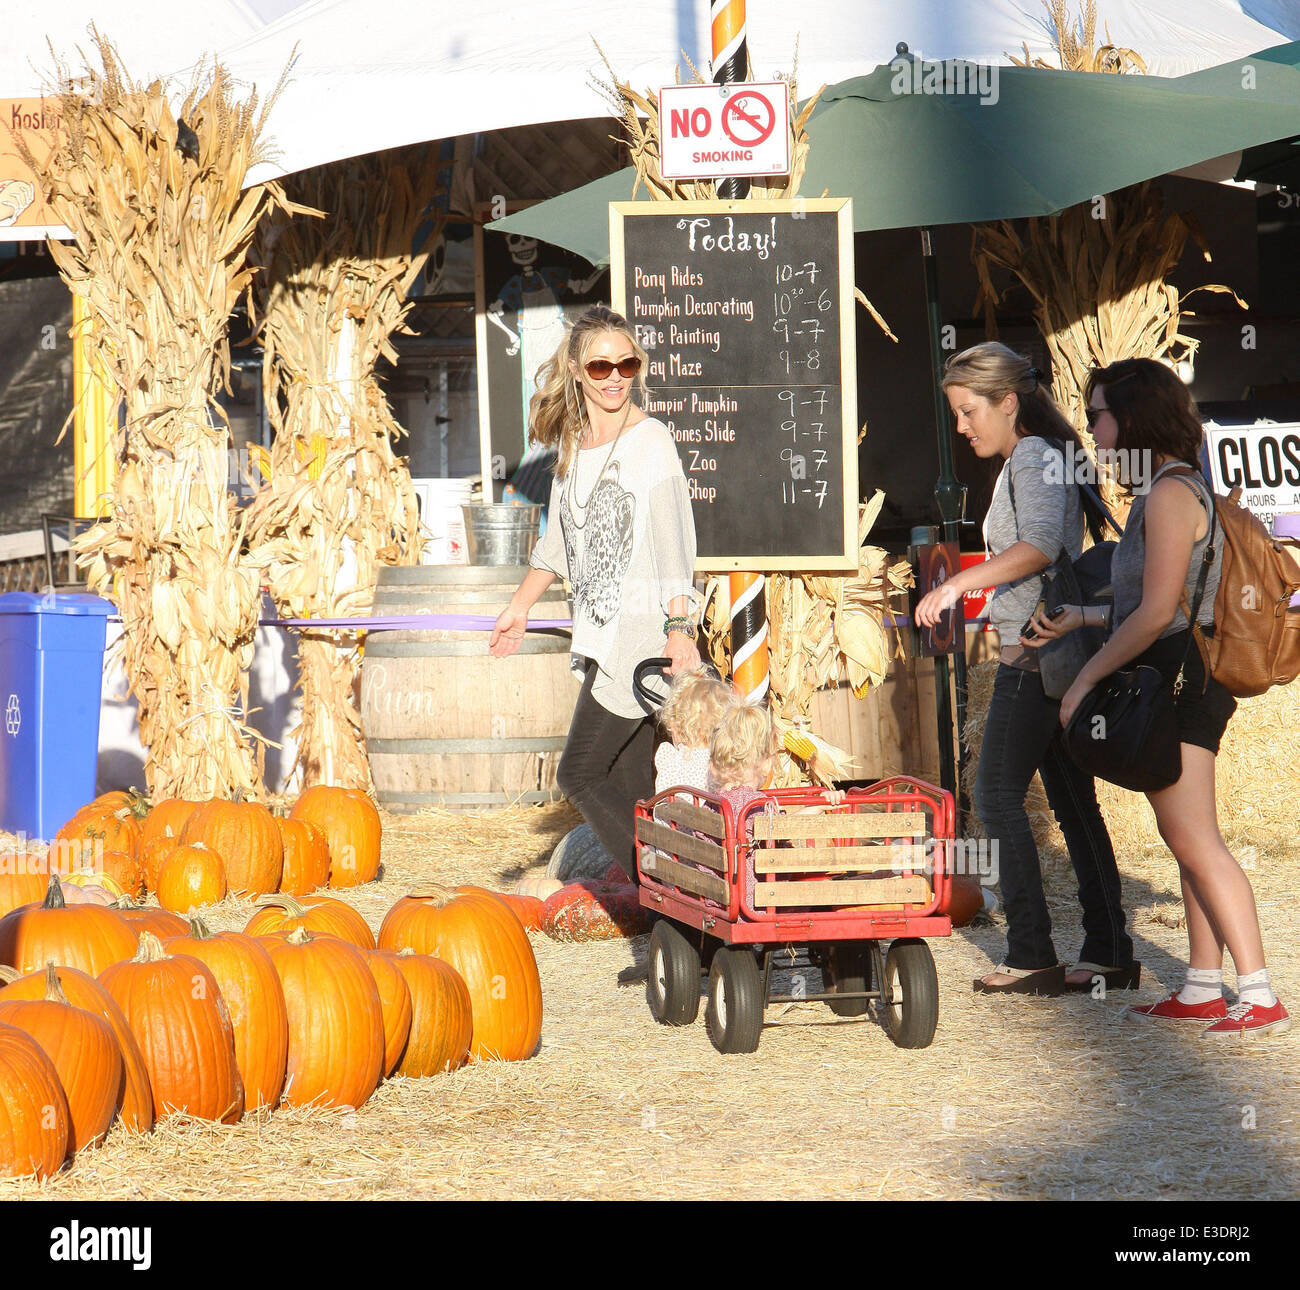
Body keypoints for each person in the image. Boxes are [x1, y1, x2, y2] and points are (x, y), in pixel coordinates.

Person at [1026, 357, 1289, 1037]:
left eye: (1099, 416)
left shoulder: (1172, 493)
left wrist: (1083, 680)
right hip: (1172, 670)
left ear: (1133, 419)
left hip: (1181, 676)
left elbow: (1156, 612)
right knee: (1185, 837)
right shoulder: (1167, 491)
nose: (1092, 430)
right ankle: (1204, 984)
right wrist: (1082, 621)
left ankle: (1258, 994)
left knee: (1194, 837)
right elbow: (1146, 606)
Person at [915, 342, 1137, 996]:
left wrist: (960, 584)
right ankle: (1108, 950)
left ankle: (1032, 952)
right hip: (1052, 657)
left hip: (1032, 659)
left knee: (995, 798)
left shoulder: (1034, 457)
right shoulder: (1032, 457)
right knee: (1073, 805)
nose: (961, 426)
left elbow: (1039, 547)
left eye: (967, 411)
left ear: (1008, 402)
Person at [489, 304, 700, 882]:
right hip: (600, 636)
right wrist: (519, 608)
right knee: (635, 792)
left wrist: (681, 630)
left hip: (640, 636)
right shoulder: (571, 444)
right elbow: (556, 542)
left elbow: (674, 541)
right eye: (601, 365)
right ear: (578, 371)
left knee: (578, 774)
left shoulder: (652, 441)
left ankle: (672, 888)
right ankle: (676, 923)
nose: (614, 377)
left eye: (626, 363)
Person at [655, 666, 737, 797]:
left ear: (676, 727)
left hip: (671, 816)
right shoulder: (721, 763)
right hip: (705, 815)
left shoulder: (670, 758)